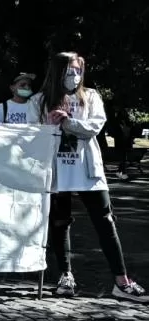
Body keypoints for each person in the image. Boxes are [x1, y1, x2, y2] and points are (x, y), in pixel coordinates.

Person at [28, 52, 145, 301]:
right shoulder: (39, 100)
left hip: (87, 169)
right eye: (70, 71)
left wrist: (68, 123)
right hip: (57, 170)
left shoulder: (90, 96)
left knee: (105, 221)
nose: (75, 76)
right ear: (57, 72)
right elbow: (30, 137)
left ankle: (121, 280)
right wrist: (47, 126)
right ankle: (65, 275)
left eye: (78, 70)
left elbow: (95, 126)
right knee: (59, 224)